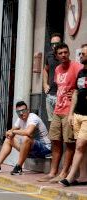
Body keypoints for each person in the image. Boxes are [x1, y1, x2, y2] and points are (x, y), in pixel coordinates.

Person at [38, 43, 83, 183]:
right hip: (58, 109)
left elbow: (82, 85)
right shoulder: (57, 69)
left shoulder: (77, 67)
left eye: (66, 52)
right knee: (55, 141)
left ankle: (64, 172)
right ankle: (53, 172)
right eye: (61, 53)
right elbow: (60, 87)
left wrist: (77, 95)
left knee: (69, 143)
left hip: (70, 110)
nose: (63, 55)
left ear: (69, 53)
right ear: (56, 56)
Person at [0, 101, 51, 175]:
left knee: (26, 138)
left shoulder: (33, 117)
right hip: (31, 150)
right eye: (18, 112)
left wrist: (14, 132)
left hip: (45, 149)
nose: (21, 113)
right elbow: (11, 131)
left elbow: (28, 132)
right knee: (9, 139)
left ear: (28, 110)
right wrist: (9, 132)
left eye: (23, 111)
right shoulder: (20, 119)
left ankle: (18, 167)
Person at [59, 44, 87, 186]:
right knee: (82, 147)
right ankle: (83, 177)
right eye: (81, 54)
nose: (80, 56)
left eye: (83, 54)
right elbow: (76, 92)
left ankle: (69, 177)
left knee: (80, 145)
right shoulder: (81, 72)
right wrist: (71, 114)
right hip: (77, 114)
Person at [43, 33, 62, 122]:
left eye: (57, 44)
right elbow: (45, 70)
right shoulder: (49, 55)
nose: (54, 46)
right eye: (52, 44)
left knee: (60, 122)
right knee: (51, 122)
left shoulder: (63, 56)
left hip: (60, 95)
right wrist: (45, 84)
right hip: (50, 94)